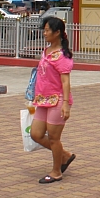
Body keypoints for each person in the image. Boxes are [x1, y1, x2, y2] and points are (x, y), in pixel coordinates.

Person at [30, 17, 76, 184]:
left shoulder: (63, 56)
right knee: (35, 134)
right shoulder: (46, 51)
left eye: (48, 30)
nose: (45, 33)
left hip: (57, 100)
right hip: (42, 99)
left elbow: (65, 81)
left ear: (57, 33)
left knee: (53, 138)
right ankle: (64, 155)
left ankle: (56, 171)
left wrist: (65, 104)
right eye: (44, 29)